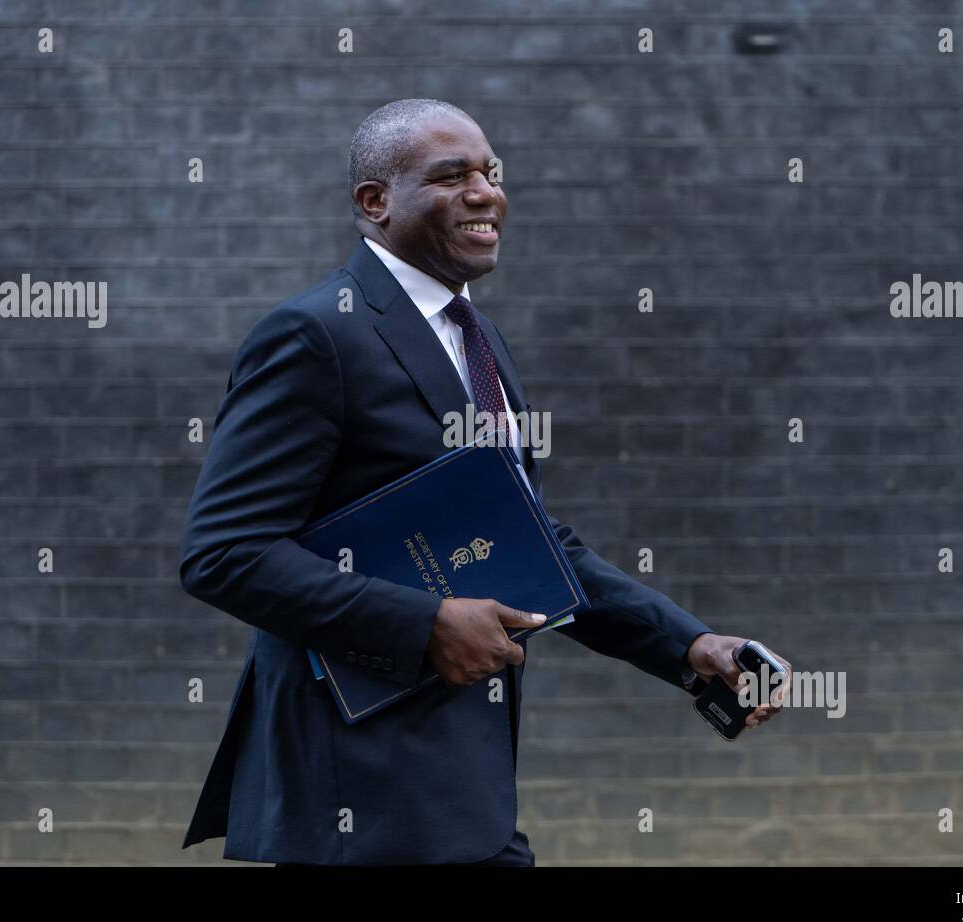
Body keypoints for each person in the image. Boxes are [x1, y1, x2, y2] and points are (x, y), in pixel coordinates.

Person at [179, 98, 789, 866]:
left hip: (459, 779)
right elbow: (223, 553)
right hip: (355, 790)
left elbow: (528, 538)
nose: (485, 192)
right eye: (451, 176)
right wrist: (425, 622)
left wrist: (689, 644)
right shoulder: (316, 335)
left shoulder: (477, 338)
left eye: (490, 172)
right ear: (376, 203)